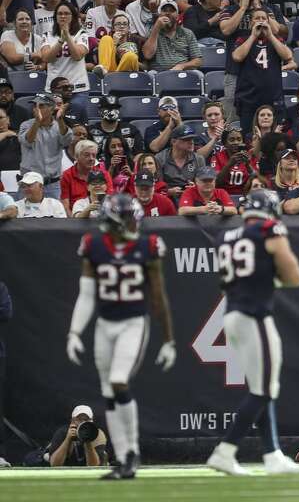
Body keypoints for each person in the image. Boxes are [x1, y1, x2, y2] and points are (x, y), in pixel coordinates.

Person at [66, 195, 175, 480]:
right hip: (105, 325)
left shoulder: (147, 246)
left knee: (118, 381)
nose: (133, 226)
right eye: (128, 221)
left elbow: (158, 295)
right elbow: (87, 294)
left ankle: (131, 453)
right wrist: (75, 331)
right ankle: (124, 459)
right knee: (108, 392)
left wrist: (168, 339)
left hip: (133, 323)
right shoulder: (94, 246)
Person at [205, 190, 299, 477]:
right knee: (264, 390)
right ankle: (225, 451)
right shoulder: (269, 229)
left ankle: (272, 454)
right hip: (254, 316)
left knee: (261, 389)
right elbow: (294, 276)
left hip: (233, 314)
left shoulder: (224, 237)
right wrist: (272, 276)